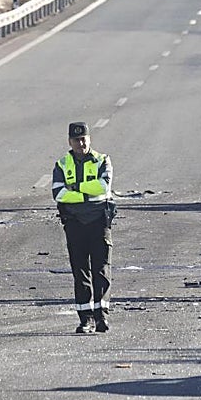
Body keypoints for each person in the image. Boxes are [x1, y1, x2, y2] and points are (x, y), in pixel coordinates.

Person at [52, 121, 115, 334]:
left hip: (98, 222)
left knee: (101, 270)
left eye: (84, 139)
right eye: (77, 140)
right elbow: (59, 194)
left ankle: (101, 317)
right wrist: (88, 194)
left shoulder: (101, 160)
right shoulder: (62, 164)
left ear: (89, 139)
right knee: (80, 273)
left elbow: (104, 187)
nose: (81, 144)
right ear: (70, 142)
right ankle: (86, 319)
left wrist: (76, 189)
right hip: (75, 223)